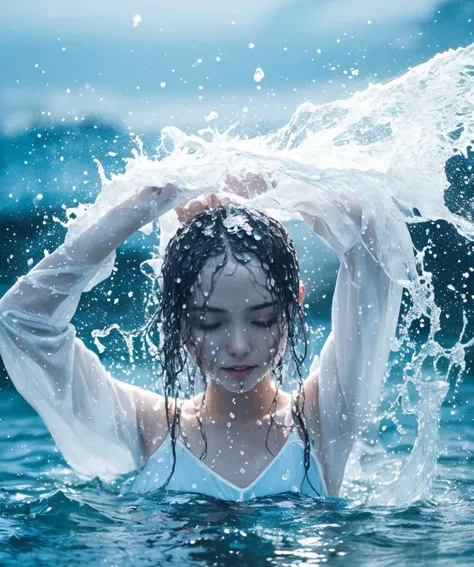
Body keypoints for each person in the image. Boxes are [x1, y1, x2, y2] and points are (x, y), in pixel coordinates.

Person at [0, 177, 413, 502]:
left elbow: (372, 240)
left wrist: (270, 183)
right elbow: (21, 318)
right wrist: (150, 202)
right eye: (209, 322)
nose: (238, 345)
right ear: (178, 318)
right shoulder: (148, 428)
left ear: (295, 305)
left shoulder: (323, 419)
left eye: (263, 319)